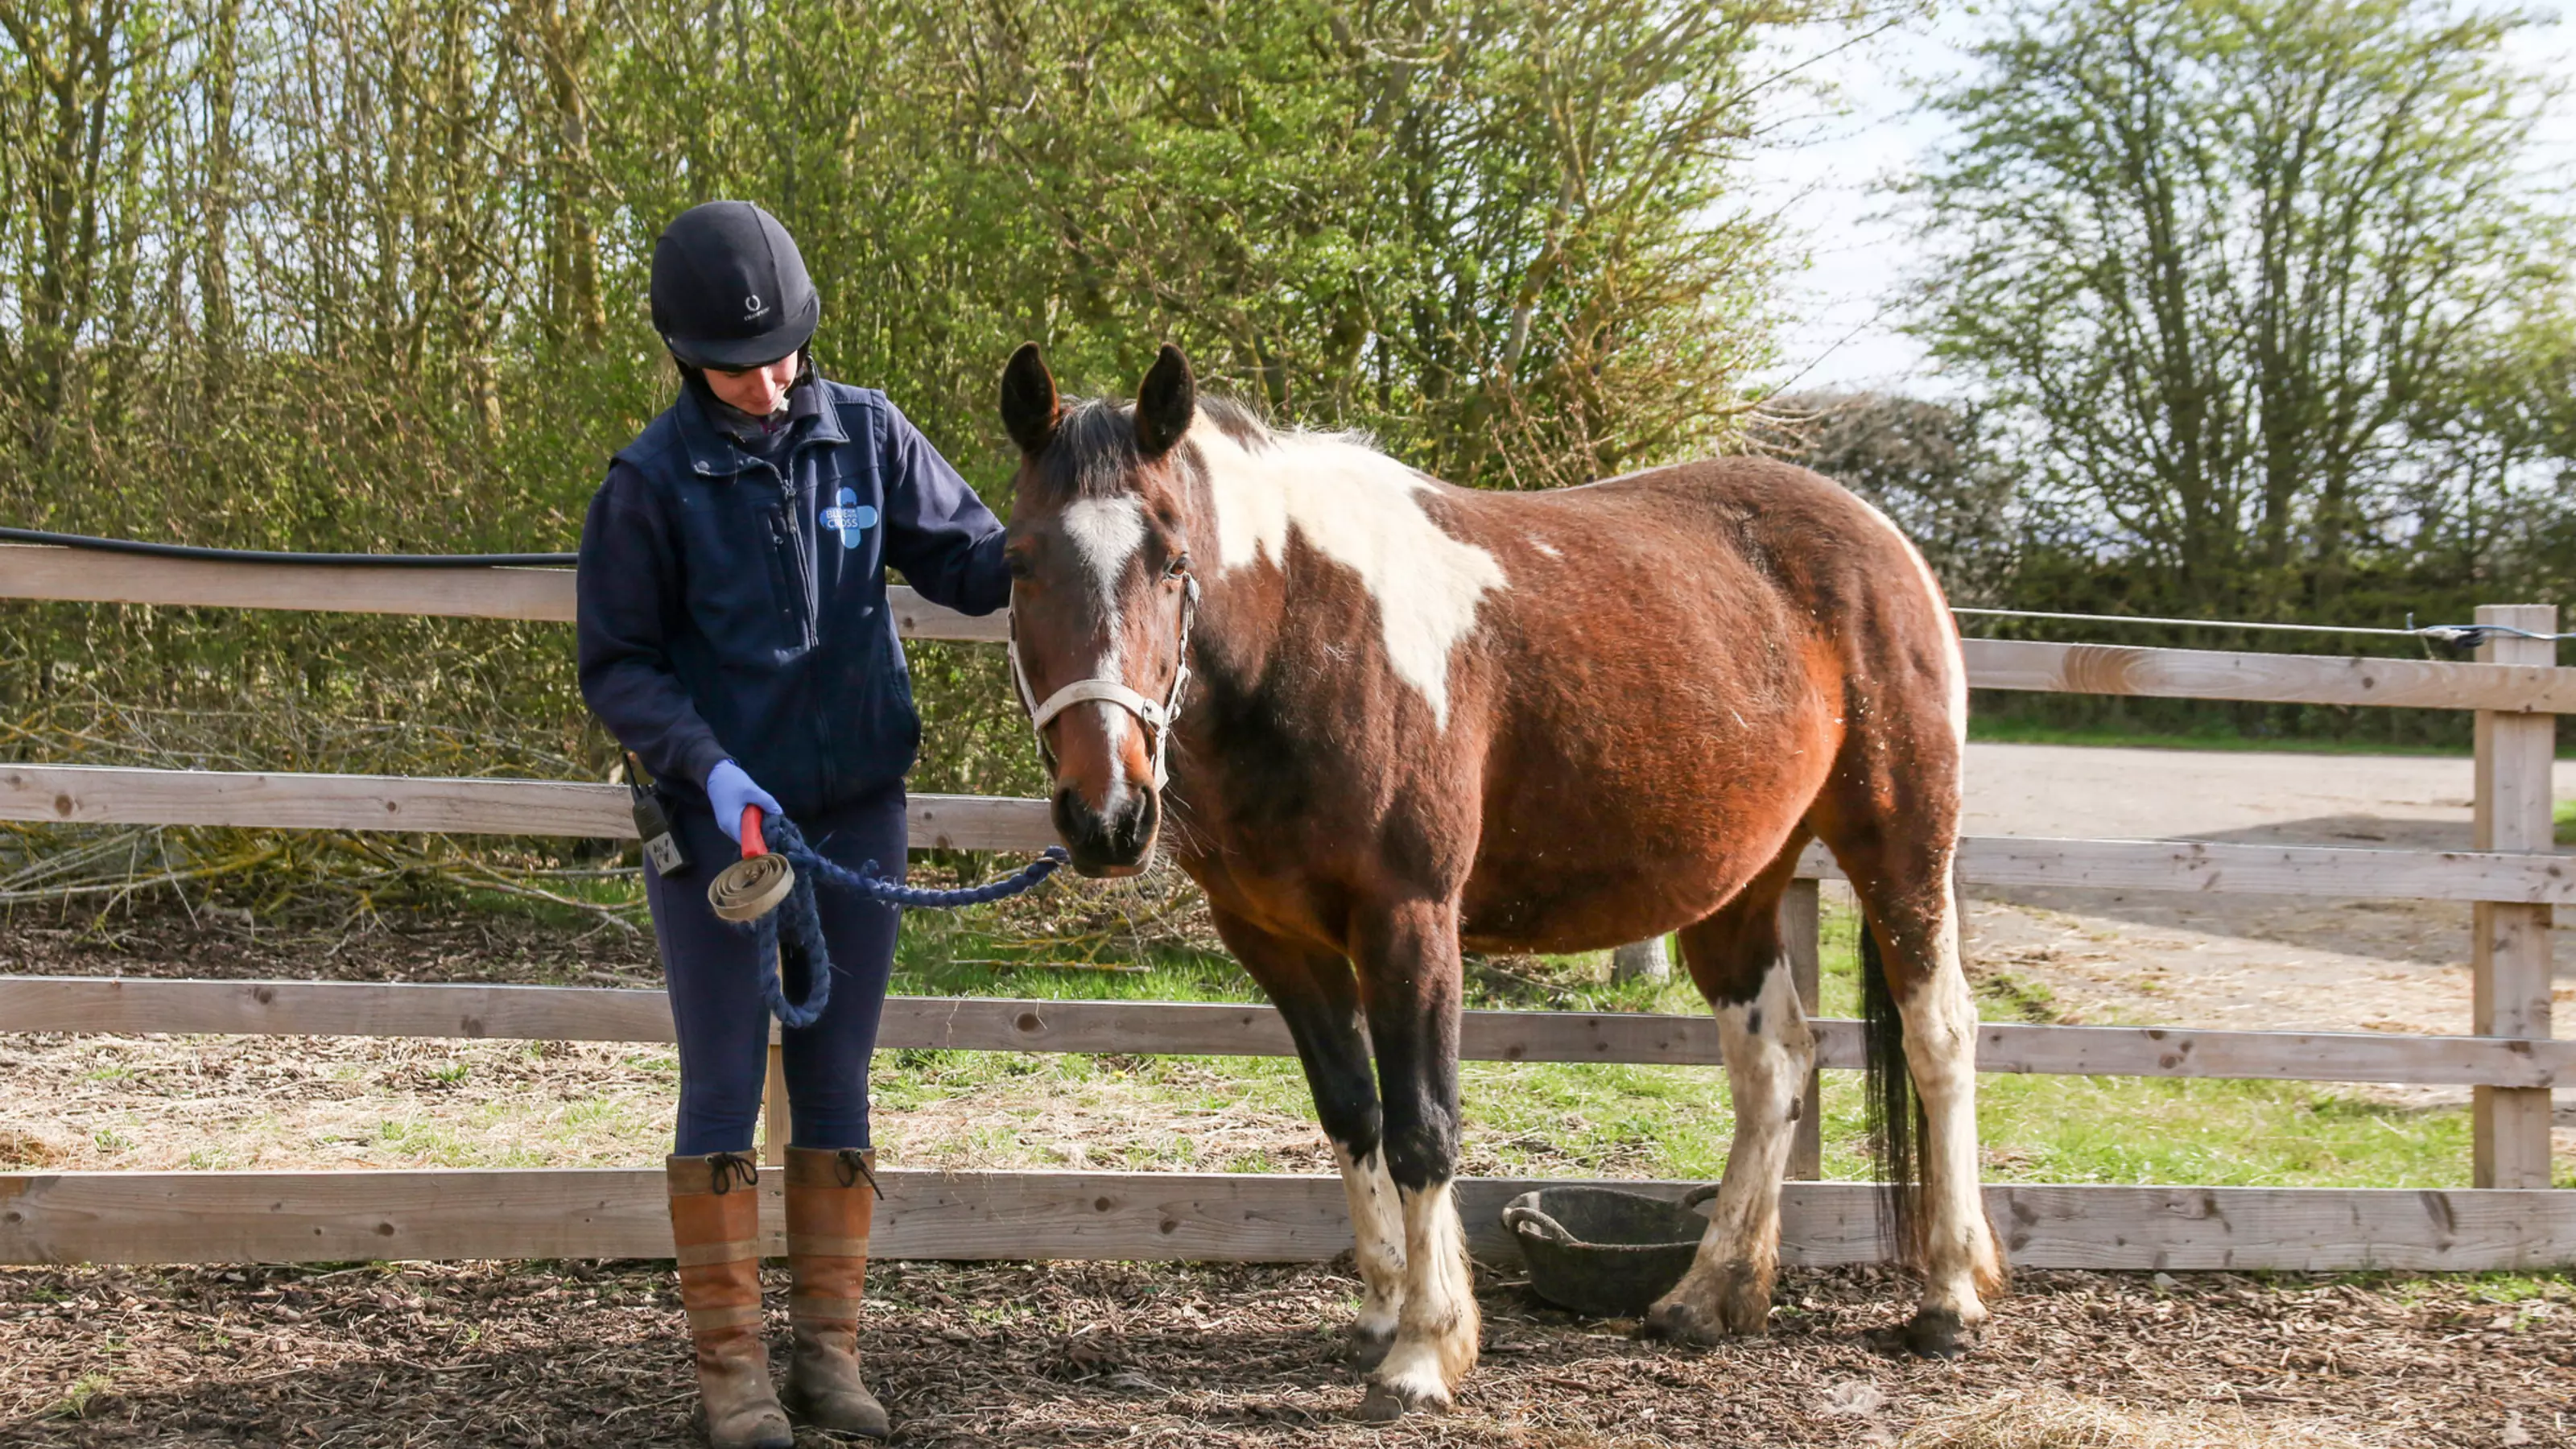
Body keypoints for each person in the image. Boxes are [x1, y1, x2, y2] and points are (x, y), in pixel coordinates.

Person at [577, 200, 1009, 1448]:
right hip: (724, 830)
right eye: (739, 363)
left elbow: (972, 559)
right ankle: (732, 1381)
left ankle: (828, 1360)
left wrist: (1076, 516)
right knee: (720, 1086)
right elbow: (621, 667)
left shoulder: (867, 433)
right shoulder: (650, 484)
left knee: (837, 1082)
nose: (770, 380)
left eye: (786, 354)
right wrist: (712, 774)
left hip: (857, 814)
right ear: (685, 357)